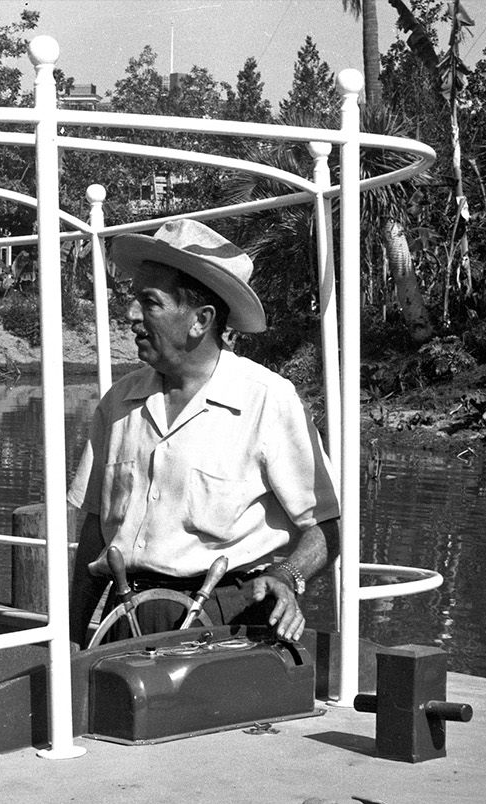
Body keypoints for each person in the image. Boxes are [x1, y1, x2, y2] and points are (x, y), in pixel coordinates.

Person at [68, 219, 340, 647]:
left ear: (200, 320)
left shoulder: (266, 400)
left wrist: (287, 575)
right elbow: (94, 531)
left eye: (149, 302)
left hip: (227, 623)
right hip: (126, 617)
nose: (131, 315)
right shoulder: (117, 404)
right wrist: (72, 638)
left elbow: (326, 528)